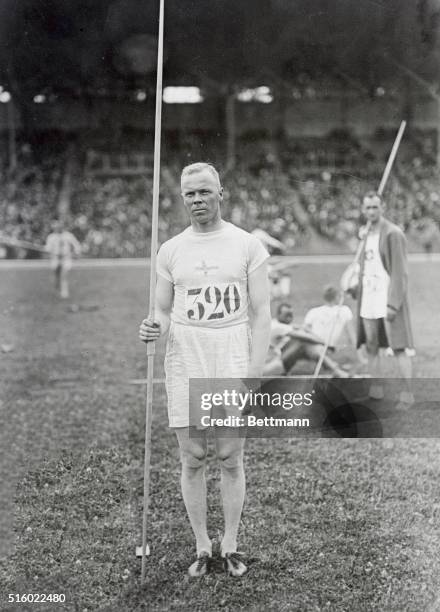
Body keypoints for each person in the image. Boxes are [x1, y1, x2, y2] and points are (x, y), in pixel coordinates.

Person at [139, 163, 271, 577]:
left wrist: (252, 373)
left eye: (204, 192)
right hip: (186, 351)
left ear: (220, 193)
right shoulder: (171, 250)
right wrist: (152, 325)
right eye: (190, 194)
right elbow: (161, 309)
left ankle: (230, 543)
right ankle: (201, 545)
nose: (197, 200)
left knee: (231, 455)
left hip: (231, 348)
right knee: (193, 456)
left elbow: (262, 313)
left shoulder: (247, 245)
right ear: (182, 198)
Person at [355, 191, 414, 408]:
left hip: (386, 298)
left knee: (398, 347)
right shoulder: (364, 234)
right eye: (368, 207)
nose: (371, 211)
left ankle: (408, 394)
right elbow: (364, 267)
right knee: (371, 346)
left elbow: (400, 272)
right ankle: (376, 389)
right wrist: (355, 286)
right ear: (363, 210)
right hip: (368, 300)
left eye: (375, 207)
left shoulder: (393, 234)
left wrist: (393, 303)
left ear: (383, 208)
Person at [263, 298, 349, 377]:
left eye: (291, 314)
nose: (290, 317)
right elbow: (305, 337)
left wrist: (321, 345)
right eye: (287, 315)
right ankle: (335, 369)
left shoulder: (279, 324)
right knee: (302, 343)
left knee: (308, 347)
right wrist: (327, 345)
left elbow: (303, 329)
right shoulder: (277, 327)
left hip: (276, 363)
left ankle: (334, 369)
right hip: (270, 367)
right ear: (278, 315)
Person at [45, 220, 81, 299]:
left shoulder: (68, 236)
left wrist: (76, 253)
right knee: (56, 277)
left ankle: (65, 293)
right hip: (56, 259)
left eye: (59, 226)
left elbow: (77, 245)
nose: (57, 228)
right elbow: (48, 249)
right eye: (55, 227)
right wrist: (49, 251)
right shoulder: (51, 237)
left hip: (66, 258)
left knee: (64, 275)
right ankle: (57, 291)